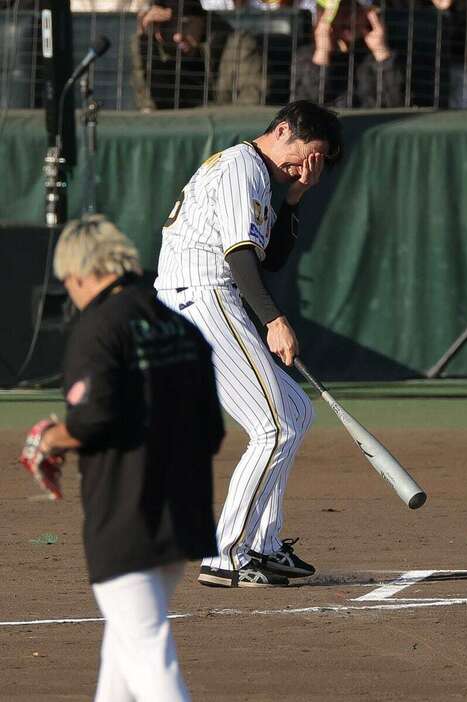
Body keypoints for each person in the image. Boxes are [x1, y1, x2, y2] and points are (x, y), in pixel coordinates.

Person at [21, 215, 224, 700]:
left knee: (149, 653)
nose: (71, 293)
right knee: (124, 654)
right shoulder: (177, 325)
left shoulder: (99, 328)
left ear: (83, 273)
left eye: (69, 282)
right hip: (182, 514)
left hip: (127, 517)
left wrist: (50, 438)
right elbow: (212, 430)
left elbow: (93, 418)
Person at [155, 100, 342, 588]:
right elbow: (240, 258)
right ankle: (228, 552)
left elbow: (270, 259)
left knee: (295, 413)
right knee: (275, 425)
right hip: (201, 294)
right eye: (306, 154)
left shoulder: (256, 173)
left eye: (315, 163)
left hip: (203, 297)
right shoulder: (243, 166)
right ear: (282, 129)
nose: (305, 166)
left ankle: (262, 545)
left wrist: (297, 196)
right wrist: (275, 320)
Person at [132, 0, 266, 109]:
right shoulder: (162, 55)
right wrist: (145, 41)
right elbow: (150, 106)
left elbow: (253, 103)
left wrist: (199, 117)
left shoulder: (238, 46)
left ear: (202, 21)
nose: (177, 36)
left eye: (185, 24)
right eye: (168, 28)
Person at [294, 0, 402, 108]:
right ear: (324, 17)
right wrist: (322, 52)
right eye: (339, 11)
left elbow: (397, 102)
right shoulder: (305, 55)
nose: (349, 17)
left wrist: (381, 50)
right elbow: (303, 107)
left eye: (356, 10)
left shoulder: (381, 55)